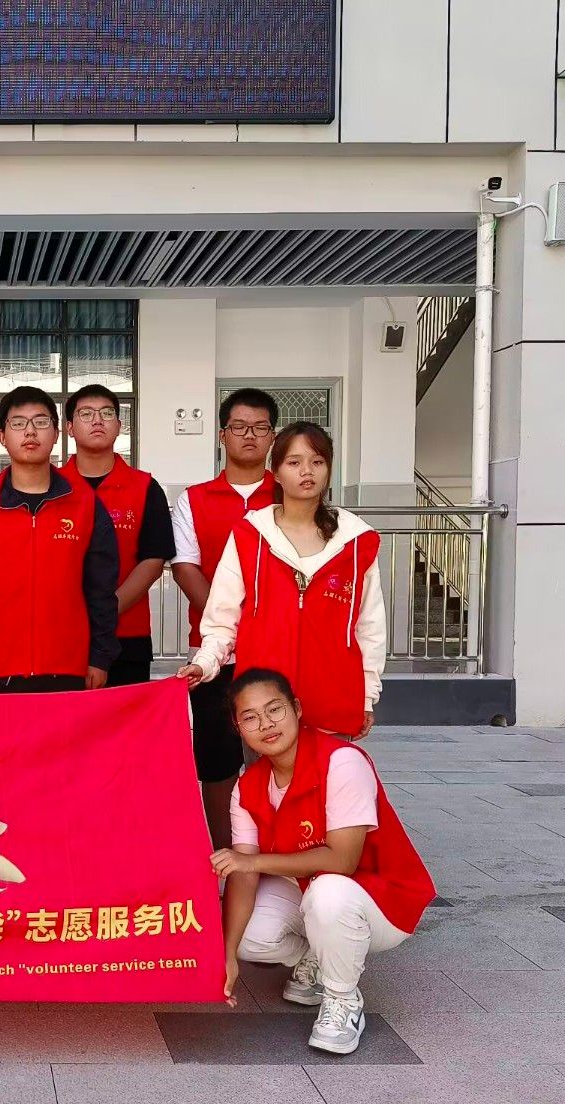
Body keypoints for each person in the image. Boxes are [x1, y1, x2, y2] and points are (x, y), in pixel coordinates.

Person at [211, 668, 435, 1054]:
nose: (265, 724)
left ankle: (343, 998)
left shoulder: (342, 762)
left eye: (274, 709)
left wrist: (254, 862)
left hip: (381, 899)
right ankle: (320, 956)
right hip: (310, 890)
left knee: (329, 891)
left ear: (296, 709)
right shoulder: (247, 787)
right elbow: (242, 874)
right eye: (250, 717)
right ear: (238, 728)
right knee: (246, 934)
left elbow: (342, 860)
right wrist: (228, 955)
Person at [178, 420, 386, 740]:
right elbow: (222, 617)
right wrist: (205, 663)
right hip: (264, 702)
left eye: (317, 462)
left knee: (330, 773)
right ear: (275, 472)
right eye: (294, 462)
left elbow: (369, 627)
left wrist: (367, 695)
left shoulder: (357, 542)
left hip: (332, 697)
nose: (307, 471)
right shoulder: (251, 536)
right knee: (264, 774)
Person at [0, 385, 120, 694]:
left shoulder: (85, 505)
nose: (30, 432)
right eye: (18, 423)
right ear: (1, 436)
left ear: (56, 433)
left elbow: (101, 591)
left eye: (40, 421)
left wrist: (100, 657)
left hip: (68, 666)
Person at [171, 387, 277, 846]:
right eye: (239, 427)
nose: (249, 436)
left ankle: (277, 850)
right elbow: (185, 567)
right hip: (211, 655)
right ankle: (224, 853)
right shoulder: (194, 499)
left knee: (276, 754)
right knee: (217, 761)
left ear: (272, 436)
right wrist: (227, 627)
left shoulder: (288, 494)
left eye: (259, 427)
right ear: (222, 434)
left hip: (275, 650)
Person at [60, 384, 174, 687]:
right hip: (60, 634)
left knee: (125, 717)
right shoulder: (52, 488)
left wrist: (105, 612)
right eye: (86, 414)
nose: (98, 420)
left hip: (127, 636)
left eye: (107, 413)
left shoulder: (145, 487)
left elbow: (153, 560)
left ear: (119, 425)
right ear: (69, 428)